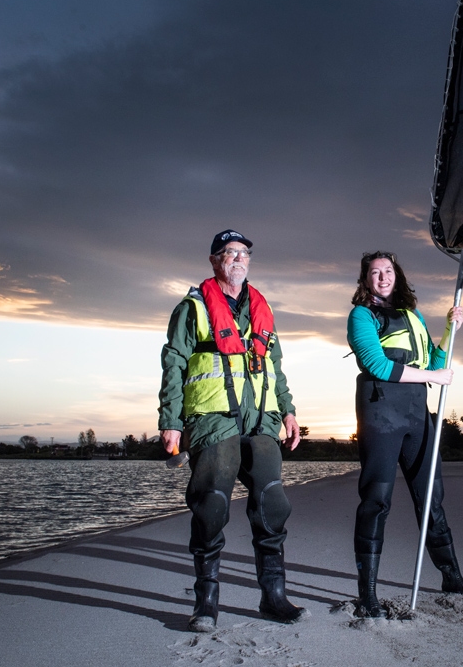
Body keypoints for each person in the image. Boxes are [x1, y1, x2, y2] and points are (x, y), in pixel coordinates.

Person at [158, 229, 306, 632]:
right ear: (214, 261)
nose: (238, 258)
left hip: (262, 421)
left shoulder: (262, 307)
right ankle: (205, 603)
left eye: (244, 253)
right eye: (229, 252)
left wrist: (289, 411)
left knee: (273, 505)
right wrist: (170, 421)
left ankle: (273, 596)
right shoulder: (192, 308)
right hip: (213, 419)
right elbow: (173, 363)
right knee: (212, 506)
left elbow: (275, 367)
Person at [347, 250, 463, 617]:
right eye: (375, 272)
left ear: (398, 275)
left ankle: (452, 577)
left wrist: (449, 331)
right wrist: (433, 377)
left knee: (431, 499)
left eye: (388, 270)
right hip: (381, 413)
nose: (382, 277)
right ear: (365, 279)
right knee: (377, 501)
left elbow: (435, 362)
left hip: (416, 413)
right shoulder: (362, 315)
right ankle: (368, 595)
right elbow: (377, 365)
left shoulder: (413, 315)